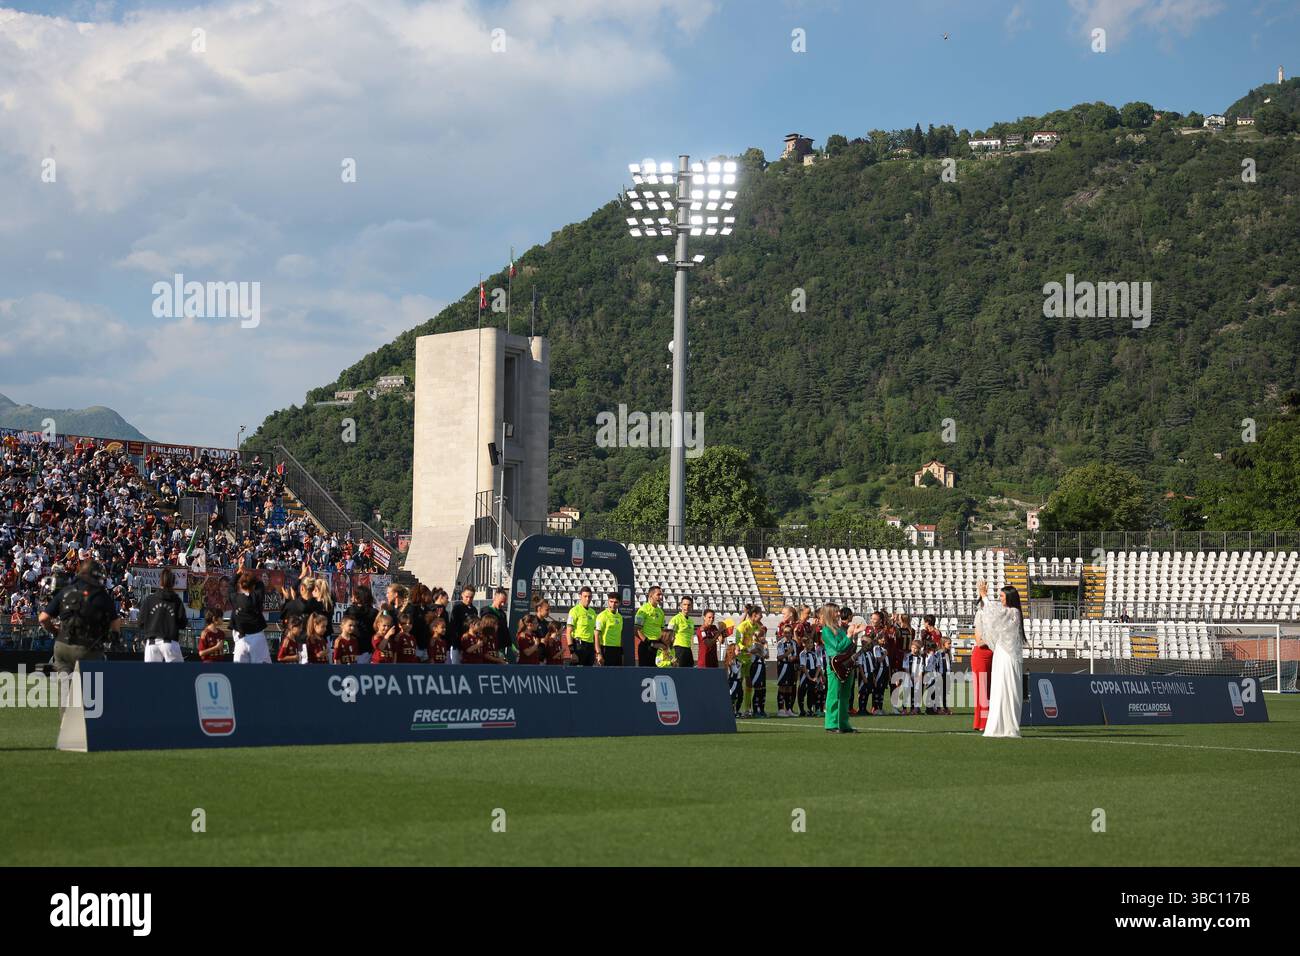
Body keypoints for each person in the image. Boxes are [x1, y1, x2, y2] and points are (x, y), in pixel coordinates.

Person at [38, 559, 122, 677]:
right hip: (87, 647)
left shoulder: (66, 590)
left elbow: (43, 618)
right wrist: (115, 639)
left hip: (62, 645)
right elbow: (115, 621)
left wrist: (55, 631)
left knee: (64, 687)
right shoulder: (101, 595)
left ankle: (66, 692)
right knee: (91, 689)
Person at [979, 584, 1026, 739]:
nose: (1000, 599)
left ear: (1010, 598)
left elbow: (994, 615)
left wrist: (985, 597)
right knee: (999, 689)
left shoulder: (1014, 612)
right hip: (1001, 653)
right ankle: (999, 725)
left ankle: (1009, 726)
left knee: (1009, 688)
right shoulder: (1010, 612)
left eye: (1002, 597)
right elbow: (994, 615)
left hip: (1008, 656)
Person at [139, 567, 188, 663]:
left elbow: (141, 622)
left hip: (151, 643)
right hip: (169, 642)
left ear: (160, 581)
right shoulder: (176, 600)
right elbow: (183, 623)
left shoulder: (149, 600)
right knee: (179, 676)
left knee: (150, 677)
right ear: (173, 583)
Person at [819, 603, 854, 734]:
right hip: (835, 665)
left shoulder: (839, 630)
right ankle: (831, 724)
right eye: (836, 612)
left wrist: (852, 636)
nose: (838, 614)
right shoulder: (827, 631)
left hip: (845, 663)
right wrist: (849, 636)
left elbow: (846, 647)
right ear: (829, 614)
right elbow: (838, 647)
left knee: (846, 695)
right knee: (833, 694)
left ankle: (843, 723)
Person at [230, 571, 271, 663]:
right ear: (253, 586)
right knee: (263, 673)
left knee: (240, 675)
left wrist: (239, 573)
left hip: (240, 640)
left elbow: (231, 586)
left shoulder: (235, 598)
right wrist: (251, 576)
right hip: (257, 638)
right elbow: (260, 585)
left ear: (240, 585)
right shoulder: (256, 597)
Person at [971, 585, 995, 732]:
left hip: (993, 654)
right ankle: (982, 723)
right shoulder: (979, 616)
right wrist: (994, 639)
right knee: (982, 691)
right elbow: (979, 641)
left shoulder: (992, 618)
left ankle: (986, 722)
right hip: (982, 655)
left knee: (990, 690)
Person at [342, 585, 377, 662]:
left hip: (351, 647)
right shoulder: (374, 612)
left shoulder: (350, 610)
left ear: (357, 597)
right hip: (368, 648)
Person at [565, 587, 598, 666]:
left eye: (589, 596)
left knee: (588, 673)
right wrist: (572, 652)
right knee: (576, 672)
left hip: (590, 646)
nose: (587, 599)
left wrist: (596, 651)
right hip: (579, 645)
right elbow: (568, 632)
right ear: (580, 596)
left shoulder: (593, 612)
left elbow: (594, 633)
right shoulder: (574, 611)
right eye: (585, 596)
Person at [634, 586, 666, 667]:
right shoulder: (643, 610)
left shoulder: (661, 612)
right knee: (645, 674)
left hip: (658, 646)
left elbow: (662, 631)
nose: (660, 597)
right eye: (658, 595)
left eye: (661, 595)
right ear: (651, 595)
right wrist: (648, 642)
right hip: (646, 646)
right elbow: (636, 630)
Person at [448, 585, 478, 665]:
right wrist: (455, 643)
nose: (468, 599)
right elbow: (453, 626)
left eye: (471, 597)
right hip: (458, 644)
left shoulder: (474, 609)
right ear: (462, 595)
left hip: (470, 644)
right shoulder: (457, 608)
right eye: (466, 597)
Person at [594, 591, 624, 667]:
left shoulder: (620, 617)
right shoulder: (602, 616)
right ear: (608, 602)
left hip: (617, 650)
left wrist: (621, 651)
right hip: (605, 649)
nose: (613, 604)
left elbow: (619, 635)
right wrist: (599, 653)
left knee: (616, 675)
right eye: (611, 602)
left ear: (619, 603)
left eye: (616, 602)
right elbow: (596, 635)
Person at [666, 595, 695, 668]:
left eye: (689, 605)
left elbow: (691, 637)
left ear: (691, 607)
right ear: (680, 606)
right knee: (679, 673)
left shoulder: (691, 621)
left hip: (688, 650)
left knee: (689, 673)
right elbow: (668, 636)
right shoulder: (675, 619)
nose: (687, 607)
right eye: (684, 604)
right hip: (678, 649)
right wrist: (669, 653)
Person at [483, 588, 511, 662]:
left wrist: (510, 645)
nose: (503, 604)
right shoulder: (486, 610)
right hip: (489, 646)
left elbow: (505, 630)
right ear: (495, 598)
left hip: (500, 645)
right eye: (501, 601)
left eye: (504, 602)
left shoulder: (503, 614)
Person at [927, 636, 953, 715]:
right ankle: (934, 709)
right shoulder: (938, 654)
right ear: (943, 644)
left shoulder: (948, 653)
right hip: (939, 676)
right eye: (948, 643)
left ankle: (944, 708)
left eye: (950, 643)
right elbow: (933, 664)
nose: (950, 645)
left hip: (946, 676)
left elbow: (948, 666)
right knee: (936, 693)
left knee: (944, 693)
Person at [902, 639, 925, 715]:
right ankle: (904, 709)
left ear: (919, 649)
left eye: (916, 648)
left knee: (914, 694)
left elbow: (921, 669)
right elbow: (906, 667)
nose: (914, 649)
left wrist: (918, 678)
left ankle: (913, 709)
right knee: (906, 693)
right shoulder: (907, 656)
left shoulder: (920, 658)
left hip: (916, 678)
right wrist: (909, 677)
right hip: (908, 677)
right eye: (913, 647)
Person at [725, 640, 743, 715]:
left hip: (738, 681)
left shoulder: (737, 660)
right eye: (738, 650)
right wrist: (741, 664)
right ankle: (731, 712)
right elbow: (735, 671)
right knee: (732, 697)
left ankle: (737, 710)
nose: (740, 652)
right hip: (732, 681)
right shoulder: (730, 660)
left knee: (740, 696)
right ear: (733, 650)